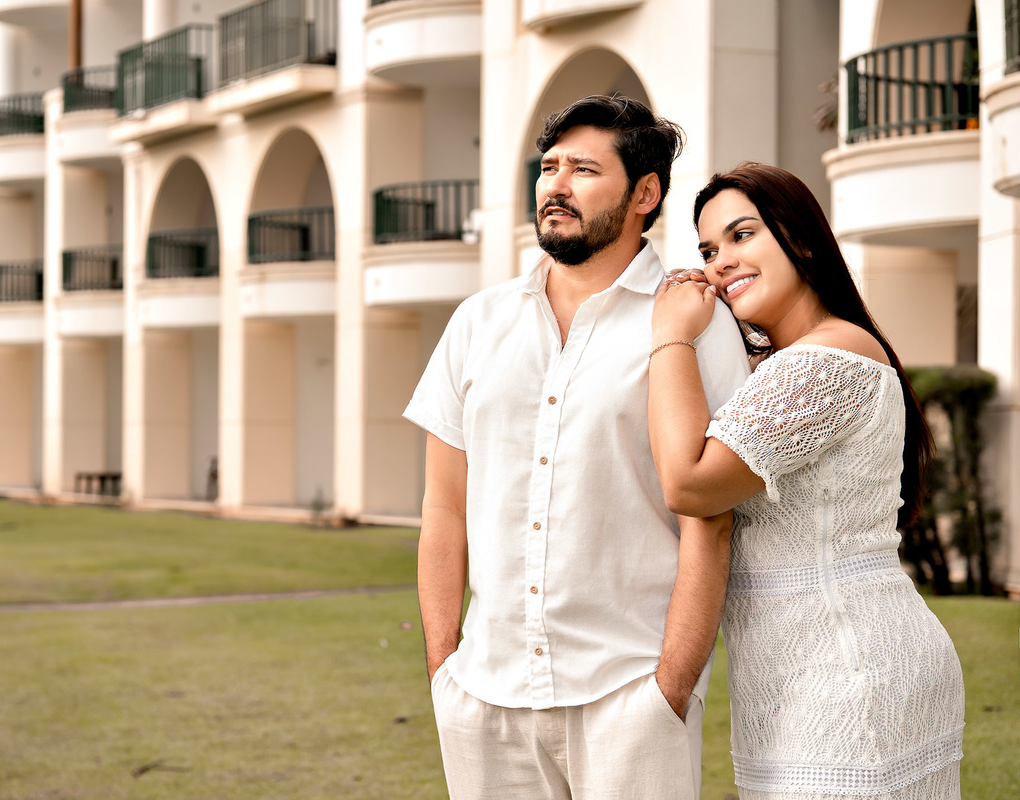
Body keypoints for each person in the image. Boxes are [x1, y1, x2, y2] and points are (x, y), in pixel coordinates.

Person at [403, 94, 750, 799]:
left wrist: (669, 688)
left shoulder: (695, 322)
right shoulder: (477, 322)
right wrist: (445, 669)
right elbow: (443, 509)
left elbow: (710, 516)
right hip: (484, 695)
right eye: (549, 166)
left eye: (583, 169)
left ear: (644, 194)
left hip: (631, 693)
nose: (555, 185)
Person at [649, 163, 965, 799]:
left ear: (802, 239)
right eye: (709, 249)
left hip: (848, 667)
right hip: (799, 669)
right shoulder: (784, 361)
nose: (719, 263)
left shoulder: (825, 359)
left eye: (742, 236)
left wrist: (669, 337)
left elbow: (689, 484)